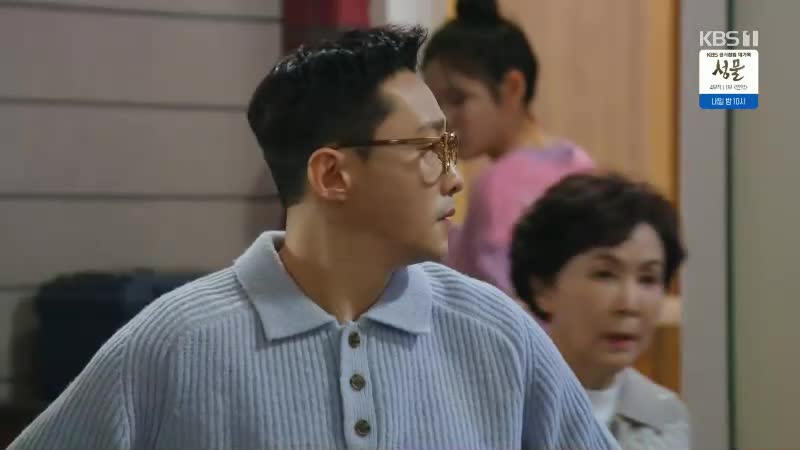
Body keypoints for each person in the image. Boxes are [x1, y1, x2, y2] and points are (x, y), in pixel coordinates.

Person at [9, 26, 617, 450]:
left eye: (450, 145)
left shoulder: (497, 331)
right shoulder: (176, 342)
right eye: (428, 148)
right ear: (331, 175)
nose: (454, 176)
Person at [422, 0, 595, 297]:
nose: (444, 118)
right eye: (435, 103)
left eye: (459, 99)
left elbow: (496, 299)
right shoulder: (579, 161)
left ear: (513, 87)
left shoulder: (496, 186)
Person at [510, 172, 690, 449]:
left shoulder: (665, 417)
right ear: (543, 288)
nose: (629, 304)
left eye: (648, 279)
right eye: (605, 274)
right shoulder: (499, 405)